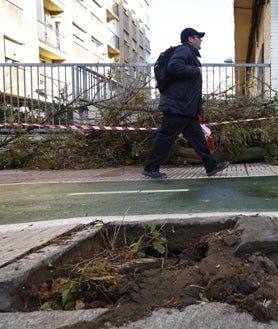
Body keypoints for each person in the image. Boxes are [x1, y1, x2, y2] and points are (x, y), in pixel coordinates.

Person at [142, 27, 229, 179]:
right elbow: (174, 66)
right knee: (166, 137)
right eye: (198, 37)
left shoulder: (189, 53)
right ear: (190, 39)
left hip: (186, 108)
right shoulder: (185, 50)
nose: (200, 40)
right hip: (178, 107)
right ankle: (151, 168)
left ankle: (211, 166)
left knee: (198, 138)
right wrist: (196, 70)